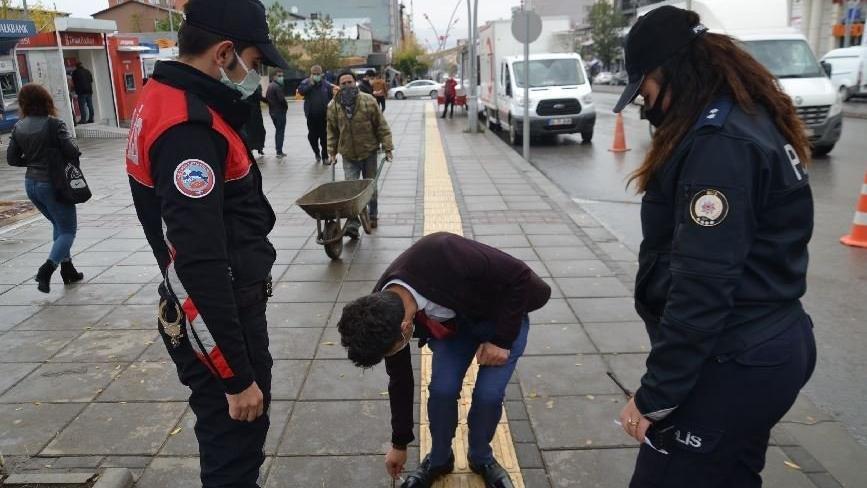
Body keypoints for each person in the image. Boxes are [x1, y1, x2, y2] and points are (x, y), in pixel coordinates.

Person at [611, 7, 817, 487]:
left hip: (735, 357)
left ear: (672, 74)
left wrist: (653, 395)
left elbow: (702, 286)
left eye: (645, 90)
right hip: (764, 345)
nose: (644, 106)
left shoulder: (718, 144)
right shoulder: (745, 117)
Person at [124, 0, 288, 486]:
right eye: (254, 63)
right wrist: (235, 375)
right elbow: (197, 262)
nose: (254, 76)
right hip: (217, 313)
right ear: (224, 54)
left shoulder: (166, 97)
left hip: (212, 307)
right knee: (234, 450)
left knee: (229, 445)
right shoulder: (189, 131)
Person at [336, 232, 551, 488]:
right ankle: (439, 459)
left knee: (488, 396)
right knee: (441, 390)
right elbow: (400, 379)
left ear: (405, 328)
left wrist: (502, 341)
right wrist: (399, 444)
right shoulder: (380, 311)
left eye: (392, 350)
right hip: (456, 326)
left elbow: (519, 276)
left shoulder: (444, 252)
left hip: (502, 318)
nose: (393, 356)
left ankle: (482, 457)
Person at [6, 83, 84, 293]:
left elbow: (12, 159)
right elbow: (72, 151)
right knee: (68, 230)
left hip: (32, 185)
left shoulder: (18, 126)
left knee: (58, 226)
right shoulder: (54, 124)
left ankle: (68, 270)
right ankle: (47, 269)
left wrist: (32, 161)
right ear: (46, 101)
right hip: (54, 185)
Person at [327, 71, 393, 234]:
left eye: (350, 82)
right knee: (351, 189)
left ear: (355, 83)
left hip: (368, 151)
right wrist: (332, 152)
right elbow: (332, 130)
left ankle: (373, 215)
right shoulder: (333, 105)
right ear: (339, 85)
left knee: (370, 187)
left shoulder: (368, 100)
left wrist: (388, 147)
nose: (347, 85)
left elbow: (381, 125)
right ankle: (353, 224)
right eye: (343, 83)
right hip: (348, 154)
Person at [297, 65, 333, 163]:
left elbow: (331, 98)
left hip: (324, 116)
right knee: (312, 137)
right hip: (311, 116)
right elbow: (301, 92)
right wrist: (311, 85)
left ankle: (325, 156)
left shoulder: (326, 85)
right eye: (314, 74)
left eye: (318, 74)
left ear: (321, 74)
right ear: (311, 74)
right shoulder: (305, 83)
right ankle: (316, 152)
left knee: (324, 137)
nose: (316, 75)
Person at [265, 71, 288, 157]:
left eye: (282, 75)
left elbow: (267, 98)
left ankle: (278, 150)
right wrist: (286, 107)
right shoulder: (277, 87)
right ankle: (279, 151)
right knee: (280, 132)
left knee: (278, 131)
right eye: (279, 76)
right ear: (274, 77)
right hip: (279, 112)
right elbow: (282, 100)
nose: (281, 77)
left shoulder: (270, 86)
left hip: (273, 112)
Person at [243, 84, 267, 157]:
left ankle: (256, 148)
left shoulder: (246, 86)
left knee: (252, 132)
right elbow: (259, 97)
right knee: (257, 131)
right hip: (254, 113)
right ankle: (258, 148)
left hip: (249, 112)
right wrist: (269, 101)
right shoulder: (253, 86)